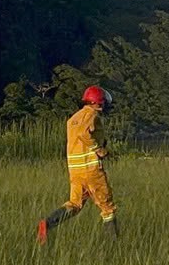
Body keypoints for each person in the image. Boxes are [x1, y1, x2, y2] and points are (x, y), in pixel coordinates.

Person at [37, 86, 118, 243]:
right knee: (107, 208)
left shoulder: (73, 119)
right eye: (103, 101)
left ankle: (47, 224)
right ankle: (113, 244)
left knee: (75, 204)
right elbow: (83, 134)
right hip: (91, 169)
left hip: (75, 170)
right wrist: (99, 150)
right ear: (97, 102)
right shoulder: (92, 114)